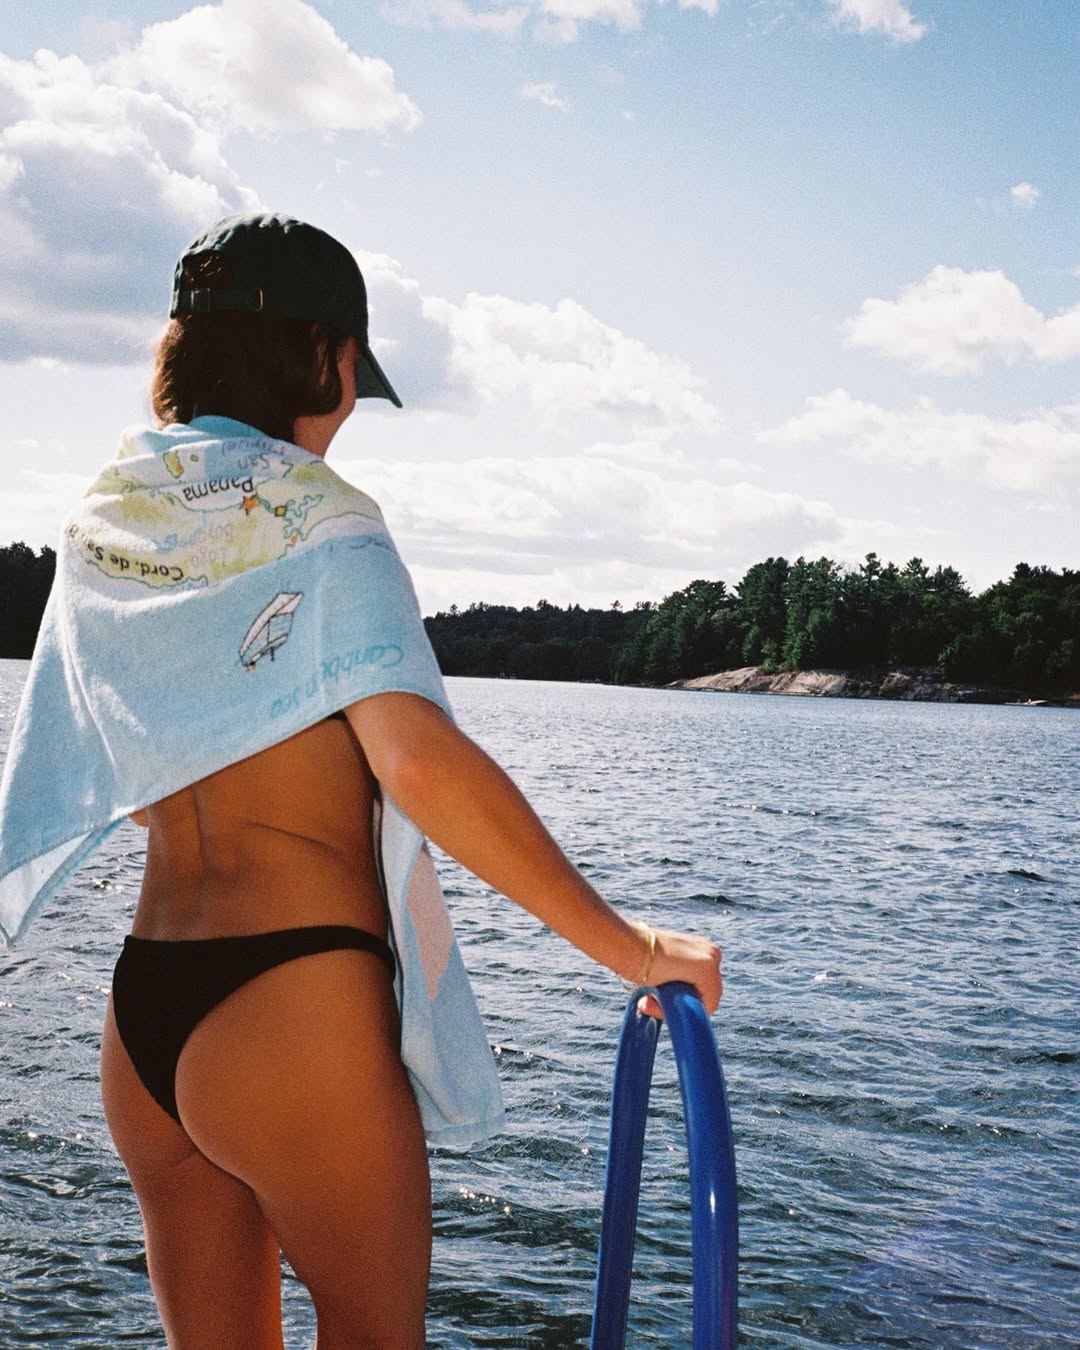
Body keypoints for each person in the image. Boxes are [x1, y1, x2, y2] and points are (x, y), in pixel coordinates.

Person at [0, 214, 722, 1349]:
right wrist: (632, 948)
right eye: (348, 376)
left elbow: (131, 778)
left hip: (145, 1014)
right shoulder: (327, 525)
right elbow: (420, 763)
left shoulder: (109, 523)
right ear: (326, 357)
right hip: (292, 1006)